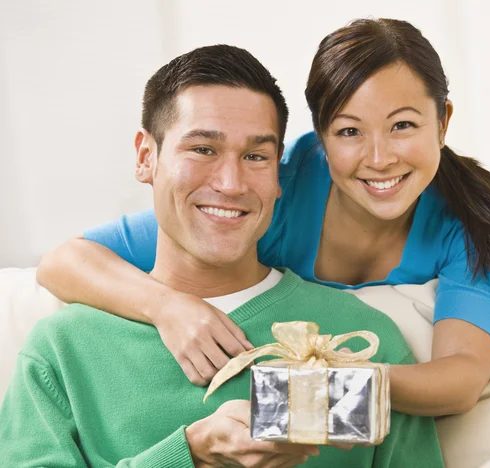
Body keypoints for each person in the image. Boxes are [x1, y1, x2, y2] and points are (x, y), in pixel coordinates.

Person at [37, 18, 490, 417]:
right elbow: (62, 264)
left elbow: (457, 383)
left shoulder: (476, 224)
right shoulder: (269, 194)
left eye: (403, 126)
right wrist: (169, 307)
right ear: (320, 138)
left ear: (443, 122)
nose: (379, 156)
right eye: (349, 131)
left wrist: (310, 390)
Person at [1, 44, 443, 468]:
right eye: (203, 149)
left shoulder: (362, 341)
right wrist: (190, 455)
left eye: (255, 156)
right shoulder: (62, 350)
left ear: (278, 176)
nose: (231, 183)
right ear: (145, 157)